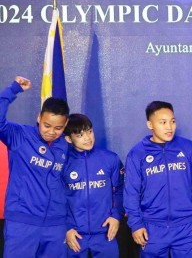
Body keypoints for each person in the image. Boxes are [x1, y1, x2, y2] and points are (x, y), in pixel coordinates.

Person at [123, 101, 192, 257]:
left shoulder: (188, 148)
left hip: (186, 227)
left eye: (172, 121)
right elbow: (131, 193)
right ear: (150, 124)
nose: (169, 127)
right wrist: (136, 225)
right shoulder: (137, 154)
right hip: (152, 229)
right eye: (163, 122)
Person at [0, 76, 70, 257]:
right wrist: (13, 89)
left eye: (58, 128)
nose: (51, 132)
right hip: (23, 222)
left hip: (56, 225)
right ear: (39, 117)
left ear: (66, 125)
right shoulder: (19, 136)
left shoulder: (65, 145)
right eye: (47, 125)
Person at [62, 113, 124, 257]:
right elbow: (56, 199)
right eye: (80, 135)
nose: (88, 138)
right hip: (75, 235)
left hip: (105, 233)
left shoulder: (110, 159)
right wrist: (66, 228)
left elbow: (120, 189)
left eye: (89, 131)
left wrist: (116, 216)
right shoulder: (63, 163)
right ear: (68, 138)